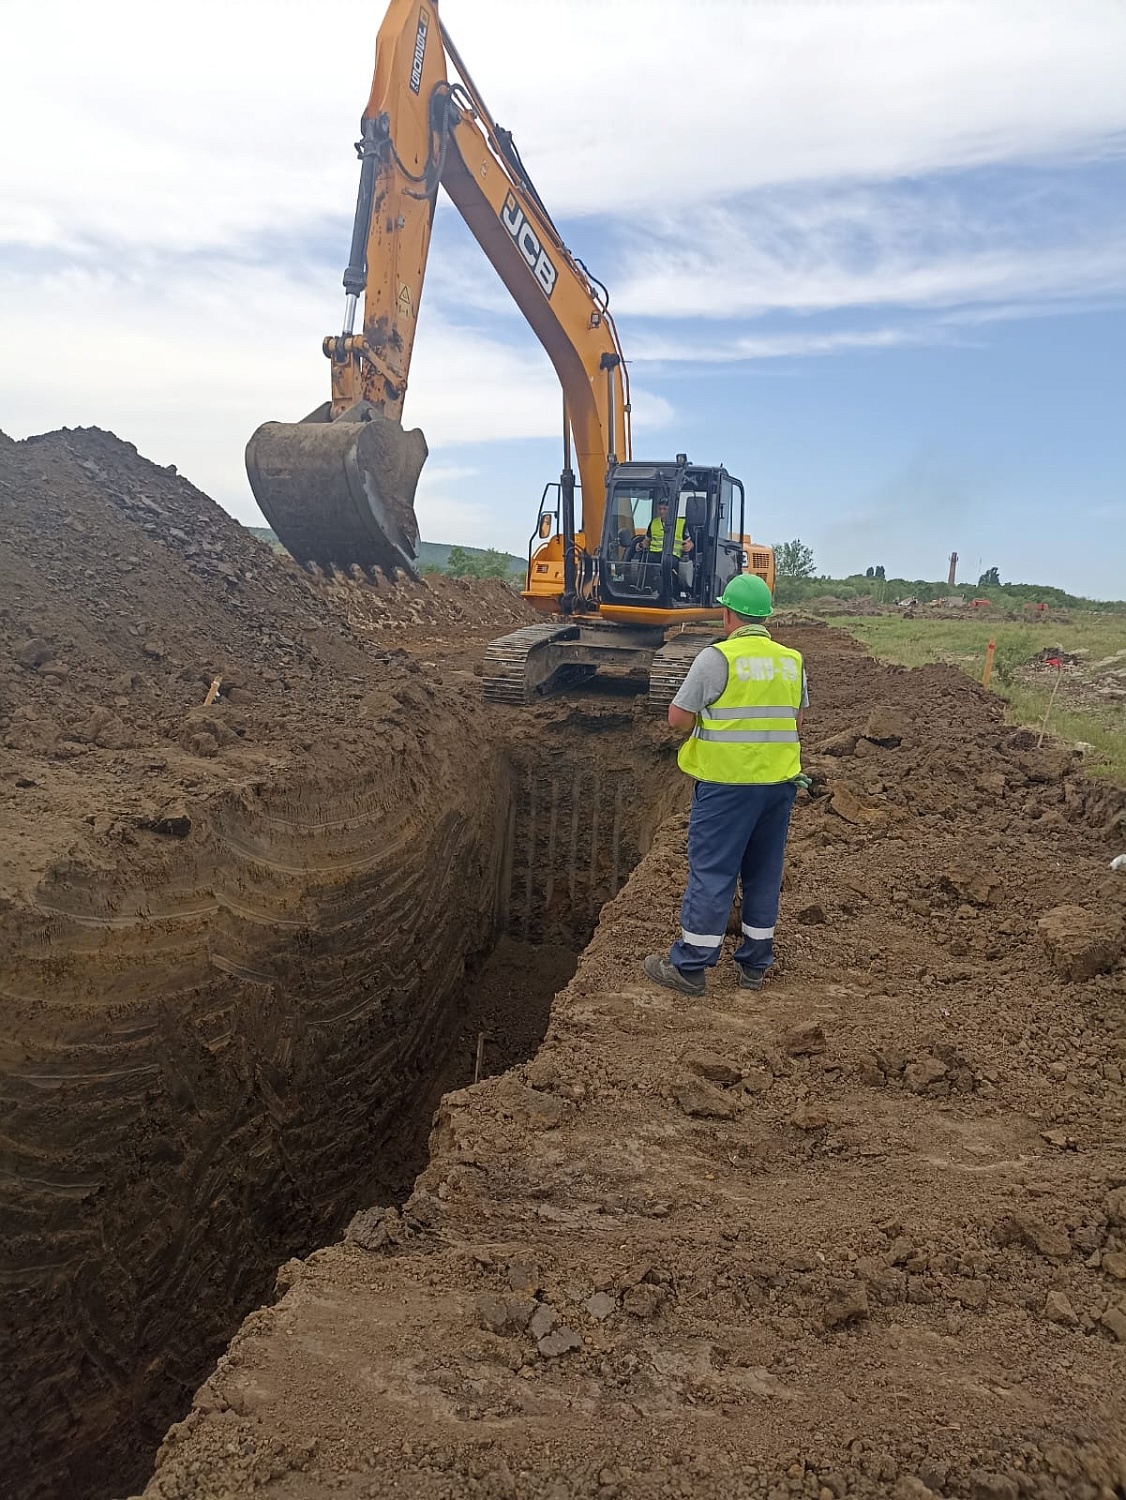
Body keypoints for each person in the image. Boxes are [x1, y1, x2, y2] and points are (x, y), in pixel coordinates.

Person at [643, 573, 807, 997]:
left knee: (713, 872)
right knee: (763, 873)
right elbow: (795, 720)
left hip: (728, 786)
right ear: (766, 618)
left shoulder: (717, 659)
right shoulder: (791, 660)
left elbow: (678, 719)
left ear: (728, 615)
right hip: (779, 785)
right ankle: (755, 965)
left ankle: (690, 967)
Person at [632, 498, 694, 590]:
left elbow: (690, 543)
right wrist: (640, 545)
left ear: (671, 509)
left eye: (664, 509)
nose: (661, 511)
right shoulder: (654, 523)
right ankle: (641, 587)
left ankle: (665, 590)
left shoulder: (681, 523)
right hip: (654, 554)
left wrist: (688, 546)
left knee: (664, 564)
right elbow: (647, 541)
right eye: (660, 509)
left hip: (672, 556)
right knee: (644, 561)